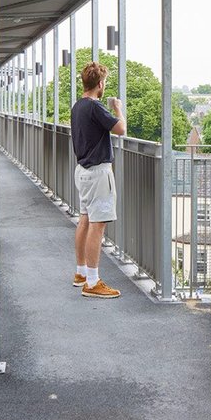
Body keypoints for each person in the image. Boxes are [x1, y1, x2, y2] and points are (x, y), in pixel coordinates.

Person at [71, 62, 126, 298]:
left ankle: (81, 272)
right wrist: (118, 108)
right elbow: (121, 129)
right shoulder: (95, 107)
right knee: (97, 225)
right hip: (98, 173)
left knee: (85, 219)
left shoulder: (77, 107)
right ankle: (93, 283)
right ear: (100, 84)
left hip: (83, 171)